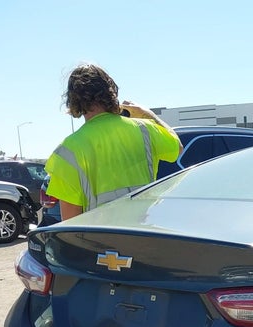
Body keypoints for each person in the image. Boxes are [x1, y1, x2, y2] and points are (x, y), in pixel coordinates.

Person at [45, 64, 182, 221]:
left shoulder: (67, 151)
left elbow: (71, 223)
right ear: (111, 91)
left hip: (100, 236)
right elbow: (178, 148)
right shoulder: (145, 129)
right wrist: (148, 114)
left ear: (73, 100)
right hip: (142, 233)